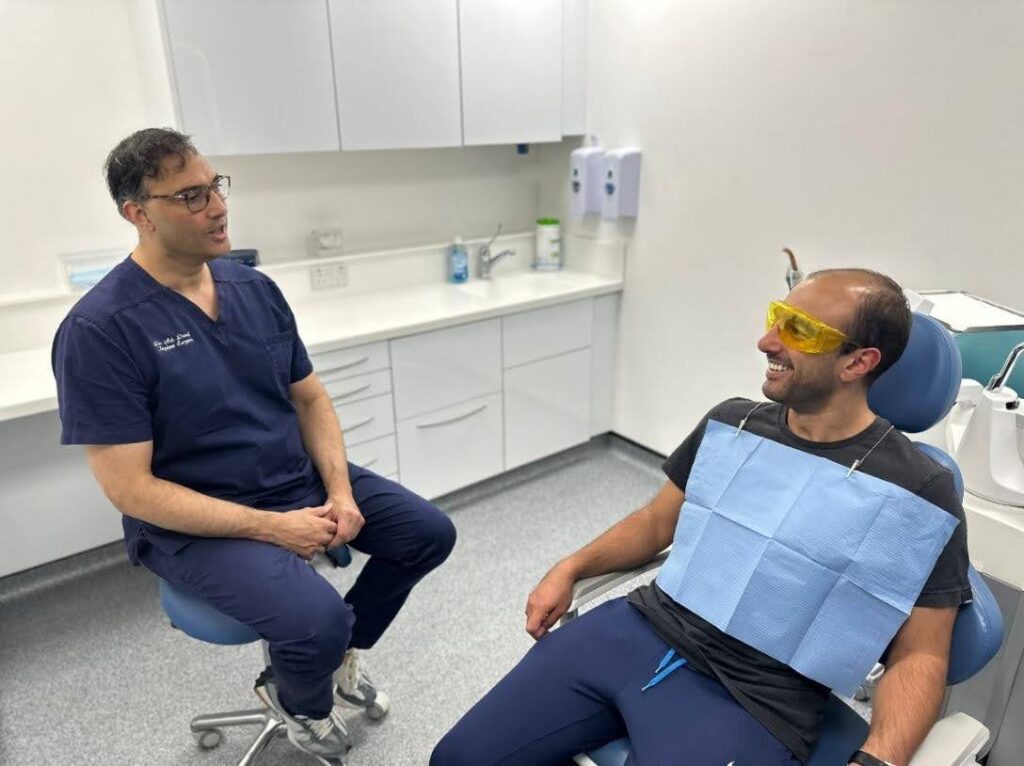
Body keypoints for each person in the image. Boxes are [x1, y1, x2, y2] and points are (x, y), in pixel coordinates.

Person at [432, 269, 970, 766]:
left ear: (858, 363)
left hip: (758, 694)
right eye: (775, 319)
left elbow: (920, 654)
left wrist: (877, 760)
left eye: (799, 331)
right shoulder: (734, 424)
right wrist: (572, 566)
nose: (767, 342)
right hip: (638, 628)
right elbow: (655, 523)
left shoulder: (918, 491)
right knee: (456, 759)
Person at [52, 128, 456, 761]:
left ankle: (330, 660)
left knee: (427, 533)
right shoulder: (100, 331)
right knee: (314, 619)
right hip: (194, 519)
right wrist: (274, 528)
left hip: (290, 477)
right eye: (190, 196)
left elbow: (310, 398)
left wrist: (341, 490)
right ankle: (300, 701)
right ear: (138, 214)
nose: (216, 207)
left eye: (215, 186)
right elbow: (131, 489)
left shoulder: (253, 290)